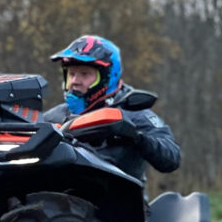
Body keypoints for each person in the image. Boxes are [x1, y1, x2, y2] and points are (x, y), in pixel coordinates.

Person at [42, 34, 180, 182]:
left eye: (84, 74)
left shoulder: (132, 112)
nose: (75, 81)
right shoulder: (54, 116)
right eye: (71, 73)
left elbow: (172, 157)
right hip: (61, 196)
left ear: (108, 76)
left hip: (119, 197)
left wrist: (137, 137)